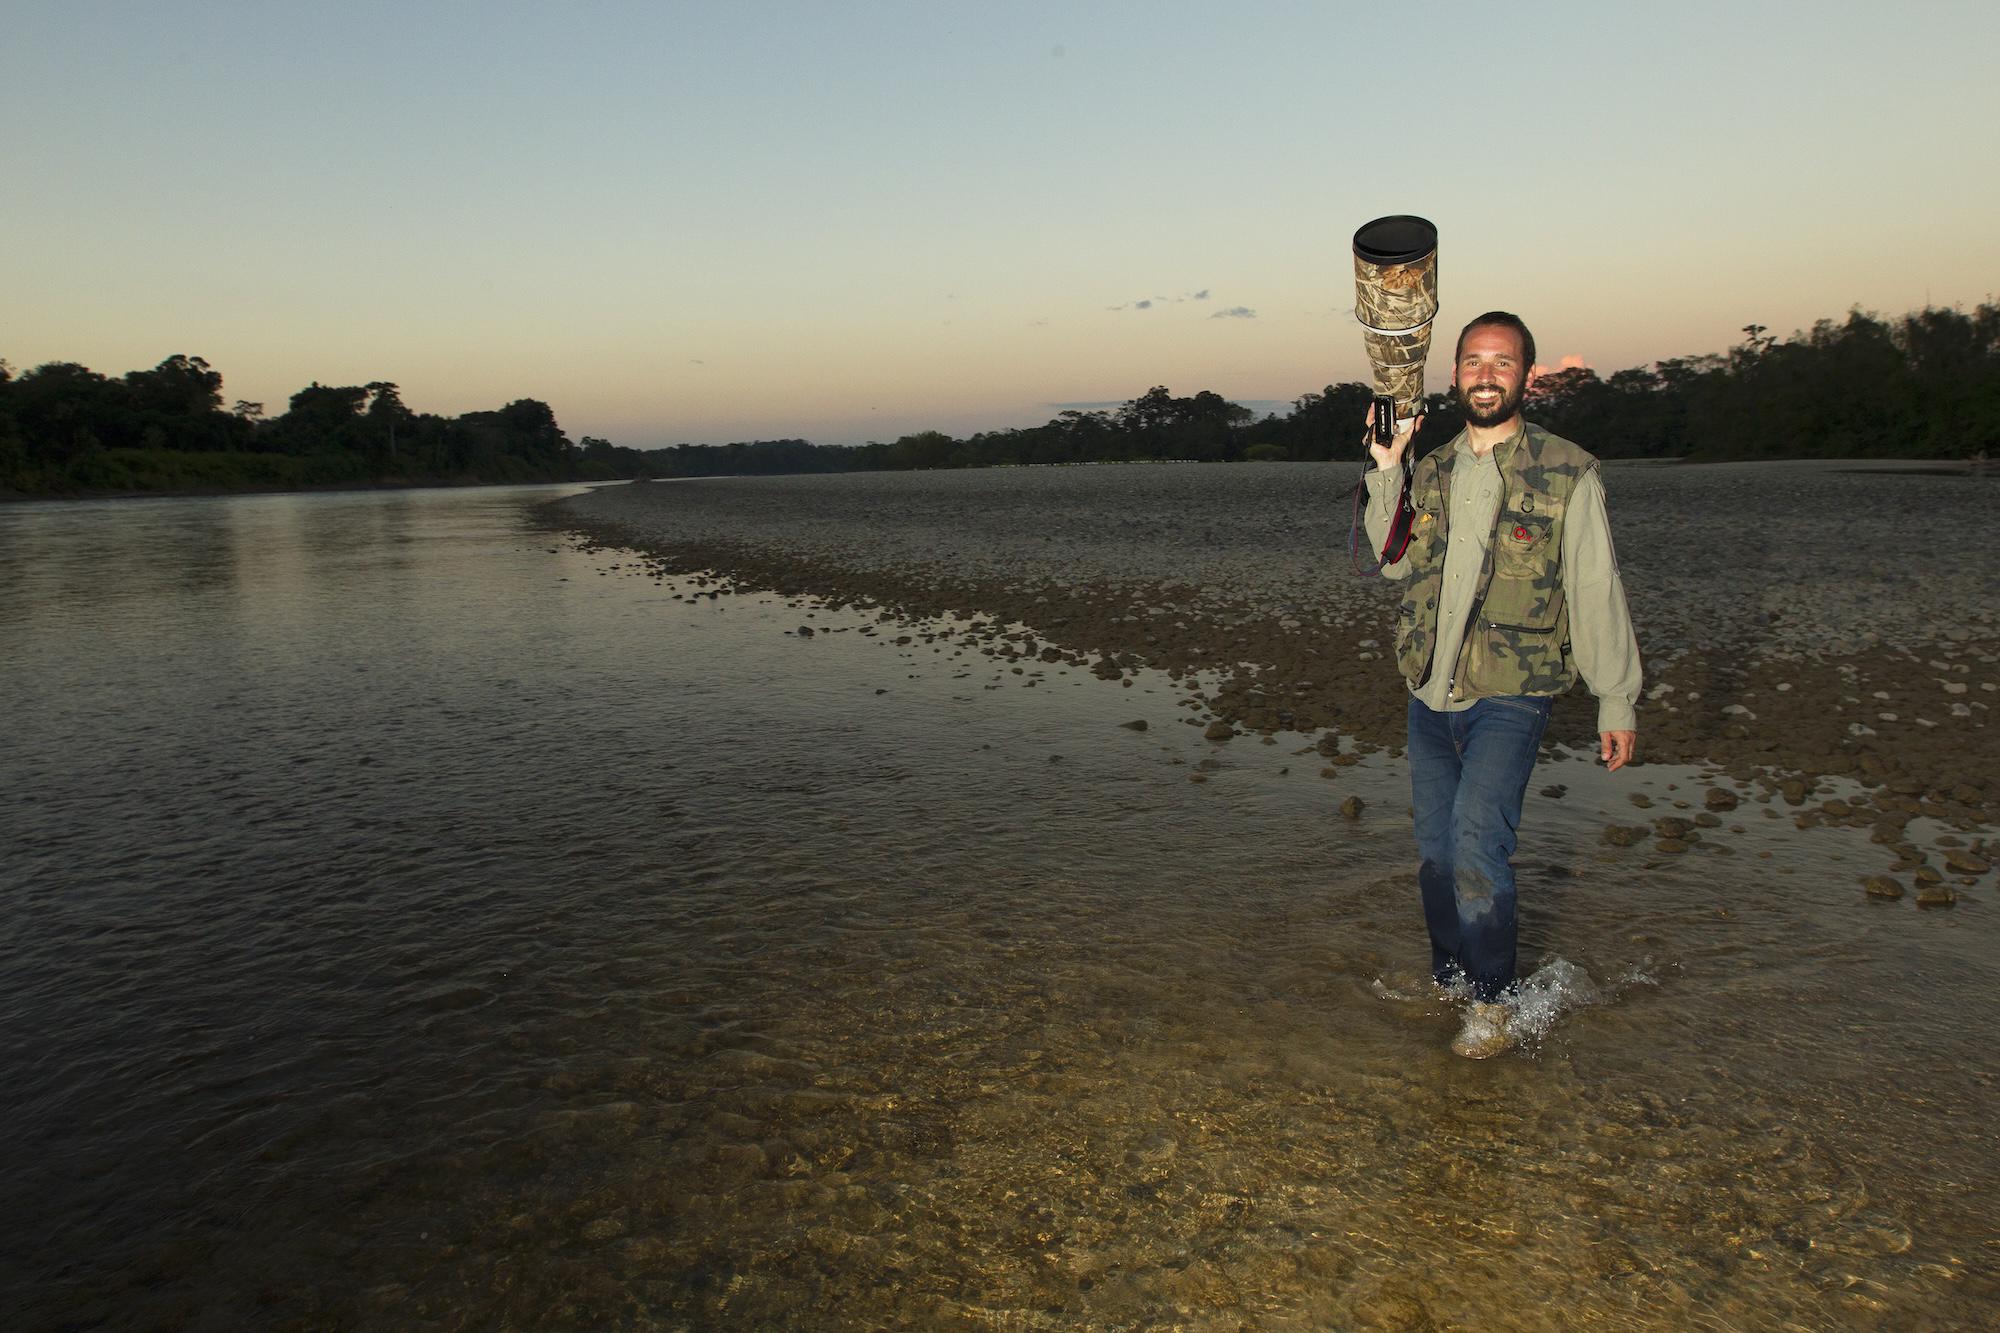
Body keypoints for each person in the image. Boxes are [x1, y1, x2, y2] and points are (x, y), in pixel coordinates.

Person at [1363, 311, 1641, 1059]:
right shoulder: (1432, 467)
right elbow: (1393, 561)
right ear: (1455, 374)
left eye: (1502, 362)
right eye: (1473, 361)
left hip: (1512, 693)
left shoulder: (1568, 470)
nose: (1486, 375)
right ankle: (1451, 980)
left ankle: (1491, 1004)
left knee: (1478, 847)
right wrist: (1388, 465)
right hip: (1429, 693)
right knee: (1436, 856)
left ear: (1528, 375)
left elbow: (1594, 587)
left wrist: (1616, 699)